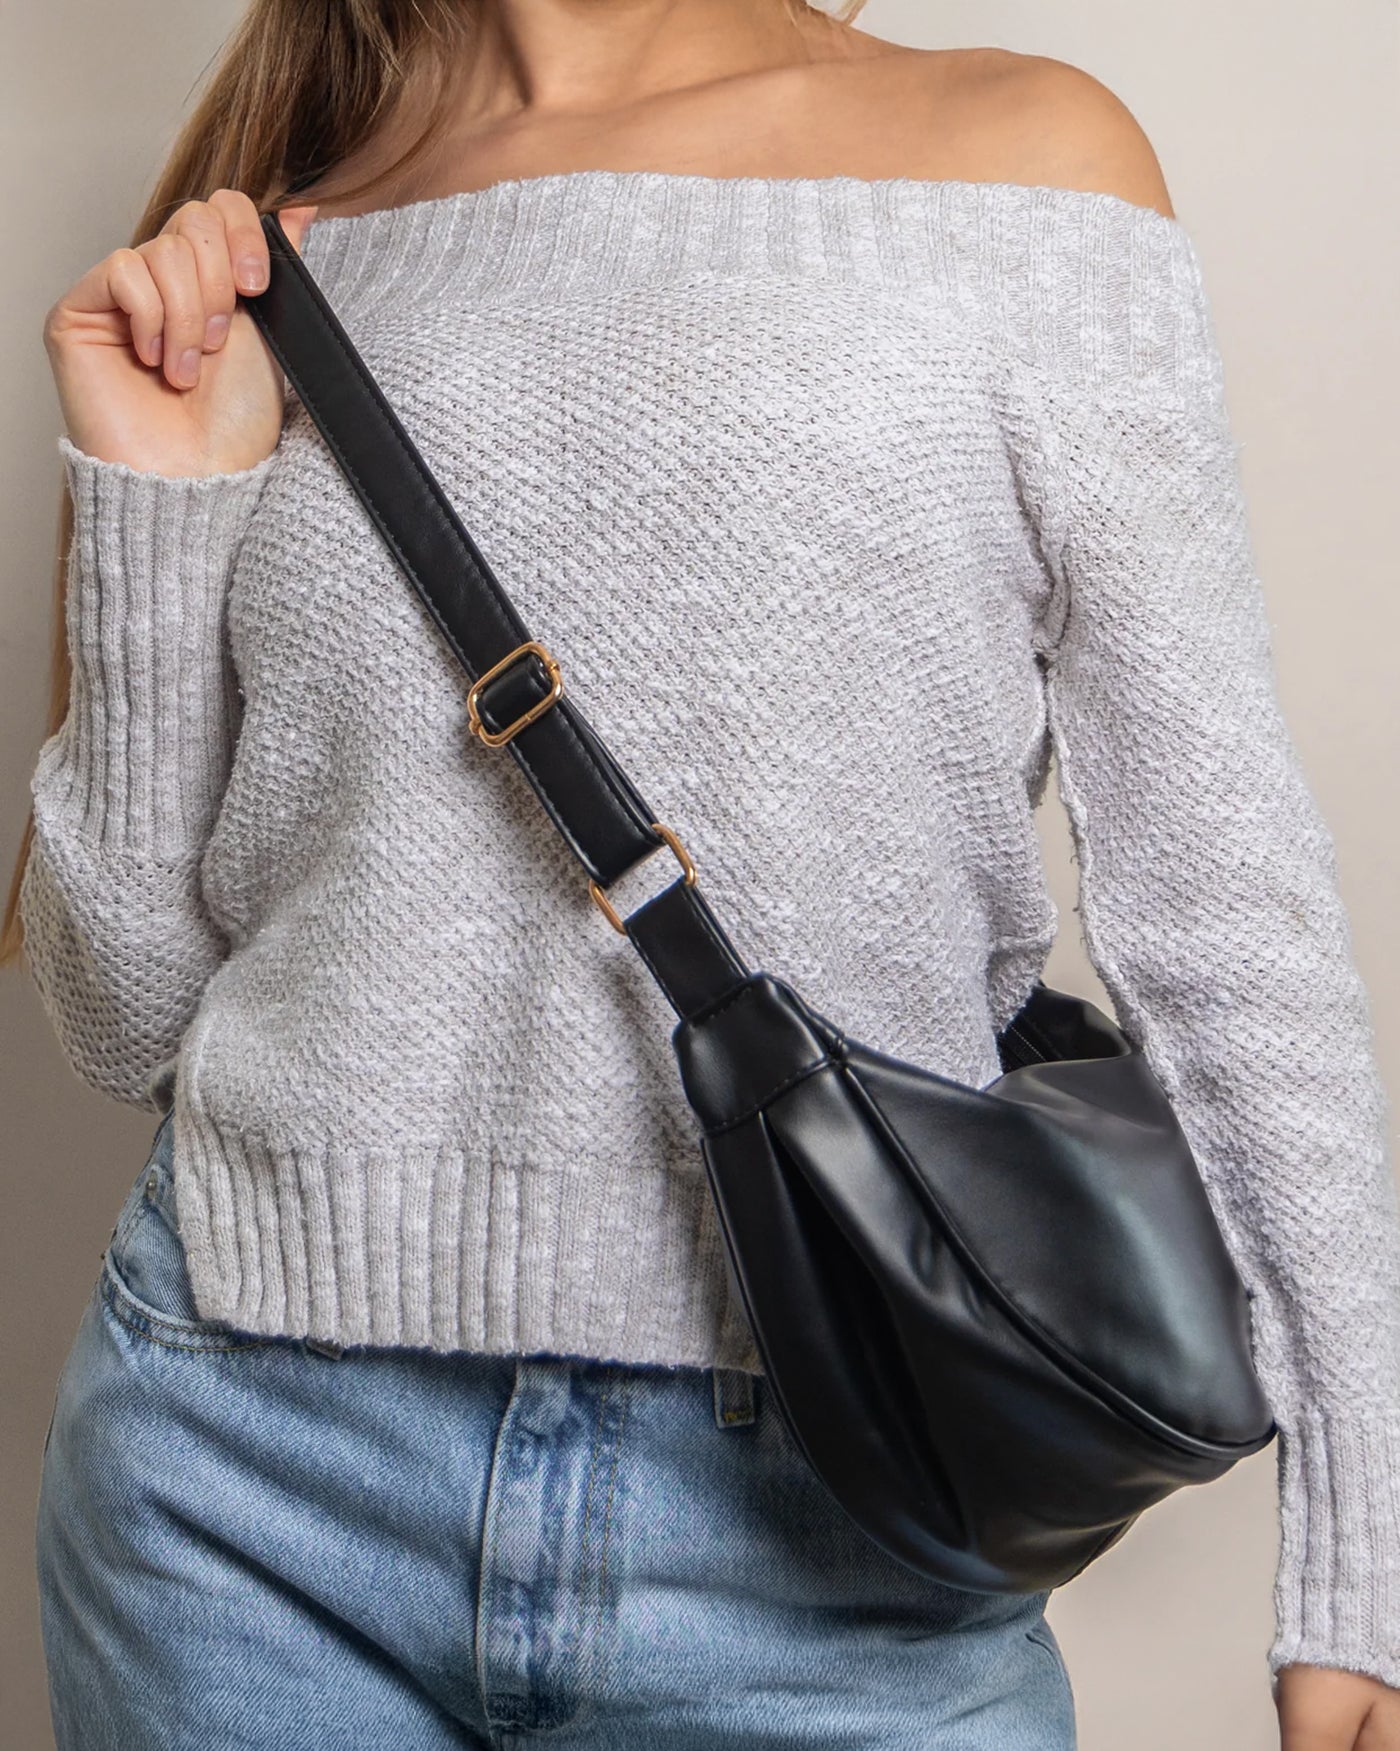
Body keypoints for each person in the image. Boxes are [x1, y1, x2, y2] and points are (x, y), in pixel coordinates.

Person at [10, 0, 1400, 1745]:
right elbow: (126, 1022)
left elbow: (1225, 908)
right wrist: (154, 504)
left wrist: (1362, 1552)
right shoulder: (290, 235)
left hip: (839, 1539)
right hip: (238, 1498)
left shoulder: (1023, 165)